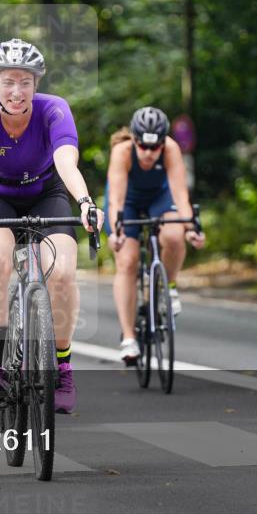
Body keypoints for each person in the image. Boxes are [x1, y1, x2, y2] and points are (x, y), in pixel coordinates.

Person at [0, 38, 102, 414]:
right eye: (8, 81)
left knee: (62, 274)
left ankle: (62, 365)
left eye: (25, 81)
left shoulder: (54, 109)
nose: (16, 91)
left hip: (48, 192)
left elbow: (66, 162)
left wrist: (87, 203)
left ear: (36, 84)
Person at [104, 107, 205, 364]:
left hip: (159, 197)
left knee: (173, 235)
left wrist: (191, 229)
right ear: (134, 140)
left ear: (163, 143)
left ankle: (168, 286)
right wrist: (116, 233)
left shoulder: (171, 149)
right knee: (127, 260)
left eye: (155, 147)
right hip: (127, 200)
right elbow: (115, 199)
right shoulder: (122, 152)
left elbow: (181, 195)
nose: (149, 153)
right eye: (143, 146)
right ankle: (129, 338)